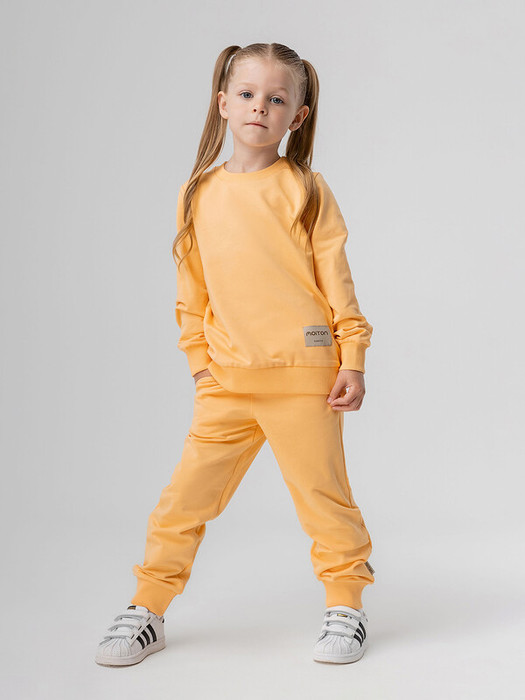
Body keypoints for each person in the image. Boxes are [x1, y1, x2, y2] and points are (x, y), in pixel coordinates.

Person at [95, 42, 376, 668]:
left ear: (297, 116)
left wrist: (352, 359)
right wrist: (200, 362)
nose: (259, 107)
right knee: (182, 501)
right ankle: (148, 608)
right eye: (247, 95)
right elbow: (190, 291)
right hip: (225, 382)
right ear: (223, 103)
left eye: (276, 99)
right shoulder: (197, 193)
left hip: (305, 379)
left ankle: (347, 606)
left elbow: (338, 281)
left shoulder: (306, 190)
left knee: (324, 498)